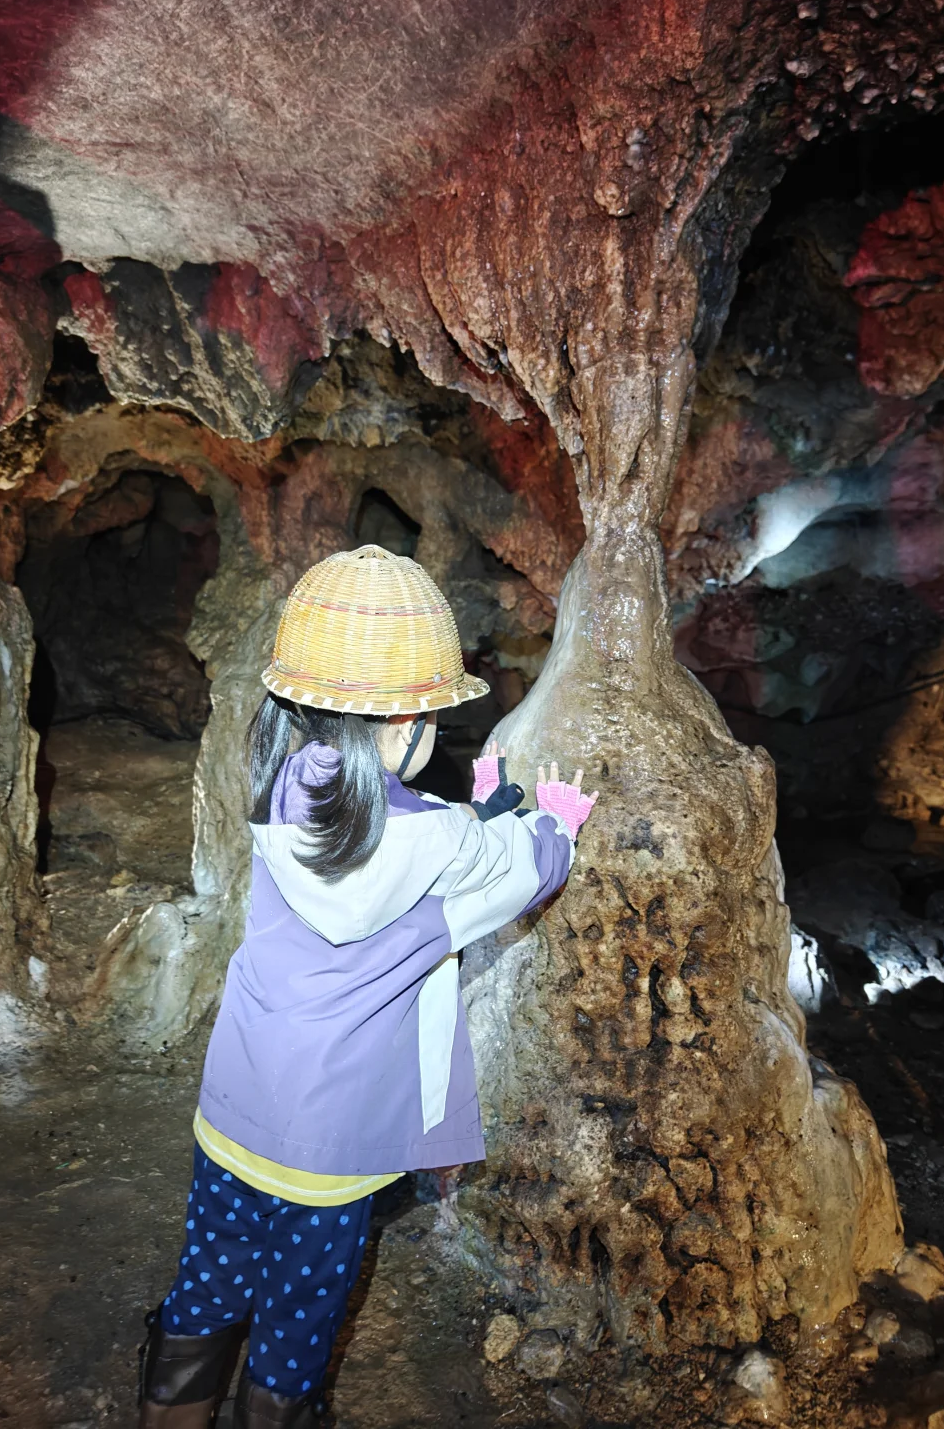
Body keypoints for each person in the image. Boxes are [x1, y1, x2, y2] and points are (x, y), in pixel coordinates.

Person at [138, 545, 598, 1428]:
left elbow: (395, 826)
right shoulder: (435, 842)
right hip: (329, 1158)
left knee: (207, 1290)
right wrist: (553, 827)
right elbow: (509, 870)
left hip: (233, 1118)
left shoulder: (281, 788)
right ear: (404, 726)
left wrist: (474, 808)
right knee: (294, 1327)